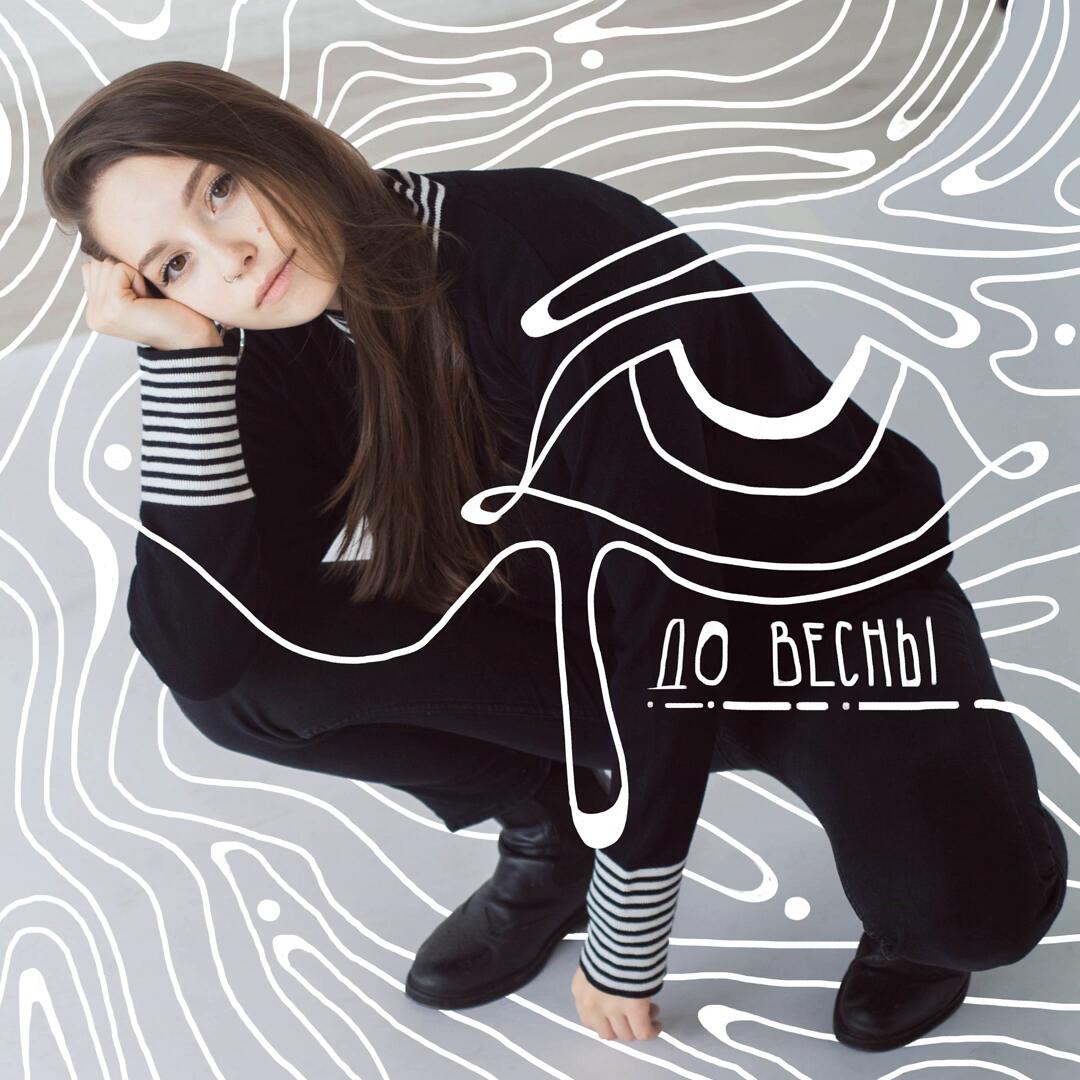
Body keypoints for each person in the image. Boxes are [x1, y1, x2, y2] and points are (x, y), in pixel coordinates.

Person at [42, 61, 1067, 1052]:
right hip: (586, 629)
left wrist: (631, 926)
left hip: (816, 623)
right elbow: (206, 646)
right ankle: (549, 823)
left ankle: (919, 901)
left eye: (220, 189)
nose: (228, 257)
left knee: (969, 917)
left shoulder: (545, 253)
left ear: (280, 138)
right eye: (174, 264)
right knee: (248, 685)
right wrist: (179, 358)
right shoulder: (290, 325)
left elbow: (673, 604)